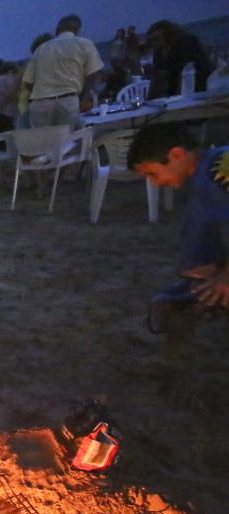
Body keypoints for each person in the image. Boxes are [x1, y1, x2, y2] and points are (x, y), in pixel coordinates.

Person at [128, 123, 229, 307]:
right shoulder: (203, 175)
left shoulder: (218, 170)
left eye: (153, 173)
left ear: (176, 154)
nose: (154, 182)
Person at [22, 15, 104, 128]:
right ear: (78, 29)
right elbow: (93, 74)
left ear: (57, 29)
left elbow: (28, 82)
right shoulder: (84, 44)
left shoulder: (41, 49)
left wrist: (44, 91)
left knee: (42, 142)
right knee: (67, 141)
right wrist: (81, 96)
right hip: (67, 99)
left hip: (40, 102)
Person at [146, 21, 212, 97]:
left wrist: (178, 96)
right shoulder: (158, 52)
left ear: (168, 34)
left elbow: (190, 69)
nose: (154, 42)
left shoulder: (186, 42)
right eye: (151, 40)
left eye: (156, 38)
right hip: (173, 88)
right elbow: (157, 75)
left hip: (196, 82)